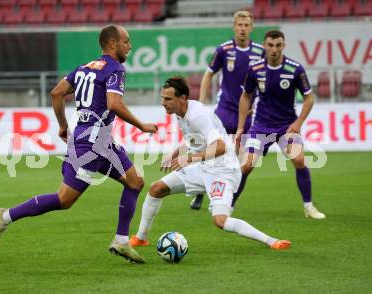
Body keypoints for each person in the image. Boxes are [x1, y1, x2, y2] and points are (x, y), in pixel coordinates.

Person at [0, 25, 158, 263]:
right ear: (112, 43)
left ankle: (121, 241)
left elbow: (56, 93)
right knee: (64, 199)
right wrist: (141, 125)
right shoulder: (115, 69)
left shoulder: (84, 68)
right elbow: (114, 104)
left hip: (100, 142)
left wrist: (62, 126)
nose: (130, 46)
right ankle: (4, 216)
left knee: (135, 181)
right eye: (126, 41)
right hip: (89, 146)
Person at [129, 76, 291, 251]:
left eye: (168, 99)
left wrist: (189, 158)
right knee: (156, 188)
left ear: (182, 98)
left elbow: (220, 147)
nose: (163, 103)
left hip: (223, 171)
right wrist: (175, 153)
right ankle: (141, 238)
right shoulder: (181, 113)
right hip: (204, 167)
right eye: (162, 98)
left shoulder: (197, 116)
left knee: (220, 220)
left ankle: (271, 241)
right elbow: (195, 140)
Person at [235, 30, 326, 219]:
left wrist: (298, 122)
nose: (274, 49)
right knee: (246, 166)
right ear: (265, 45)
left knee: (299, 160)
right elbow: (246, 96)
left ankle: (309, 207)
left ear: (283, 46)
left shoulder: (295, 69)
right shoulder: (255, 69)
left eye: (278, 45)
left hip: (286, 126)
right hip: (261, 125)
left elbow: (309, 98)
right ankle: (229, 205)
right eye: (270, 45)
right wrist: (241, 127)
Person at [190, 11, 264, 210]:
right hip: (223, 111)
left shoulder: (260, 51)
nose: (242, 28)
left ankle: (228, 202)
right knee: (211, 152)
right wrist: (201, 103)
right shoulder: (224, 50)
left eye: (246, 25)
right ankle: (198, 191)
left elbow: (265, 82)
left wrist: (257, 105)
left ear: (251, 27)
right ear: (234, 26)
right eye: (239, 24)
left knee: (244, 164)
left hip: (246, 115)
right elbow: (208, 75)